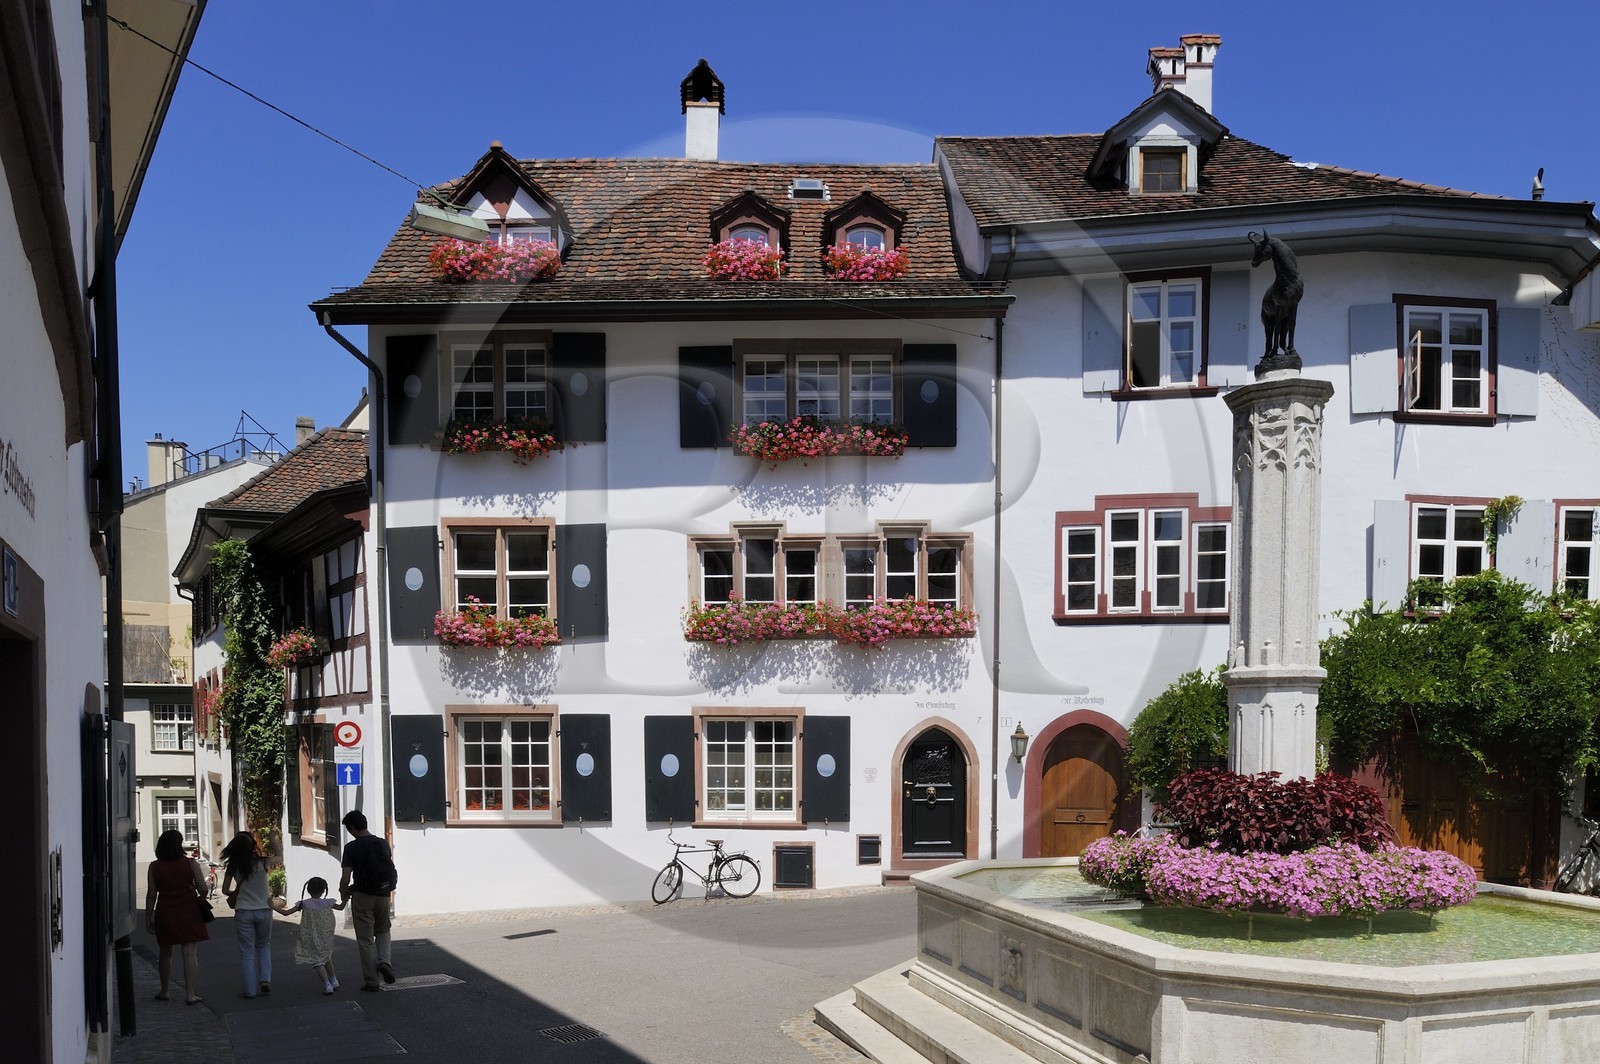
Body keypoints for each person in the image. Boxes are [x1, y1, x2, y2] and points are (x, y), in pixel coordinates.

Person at [144, 830, 209, 1005]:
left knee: (165, 952)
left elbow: (151, 894)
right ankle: (190, 994)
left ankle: (164, 991)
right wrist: (199, 893)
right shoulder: (190, 863)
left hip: (165, 910)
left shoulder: (154, 866)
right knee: (189, 953)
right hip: (189, 909)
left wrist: (148, 916)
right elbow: (203, 889)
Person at [338, 810, 397, 991]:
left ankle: (372, 981)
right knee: (383, 930)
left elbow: (346, 877)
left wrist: (343, 892)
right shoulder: (382, 843)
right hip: (383, 895)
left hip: (362, 896)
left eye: (349, 829)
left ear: (353, 828)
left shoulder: (351, 848)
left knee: (365, 939)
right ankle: (384, 961)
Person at [219, 831, 275, 998]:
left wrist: (238, 892)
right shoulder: (263, 862)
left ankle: (250, 991)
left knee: (246, 951)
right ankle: (265, 979)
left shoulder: (233, 866)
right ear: (252, 846)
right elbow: (279, 856)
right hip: (264, 910)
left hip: (243, 911)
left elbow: (224, 890)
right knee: (263, 945)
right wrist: (272, 839)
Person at [274, 876, 346, 994]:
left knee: (317, 960)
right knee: (326, 957)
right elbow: (341, 906)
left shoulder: (304, 904)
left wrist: (271, 906)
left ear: (308, 890)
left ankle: (327, 984)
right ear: (324, 890)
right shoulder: (328, 902)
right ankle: (334, 980)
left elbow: (286, 913)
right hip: (326, 936)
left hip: (311, 937)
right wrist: (346, 897)